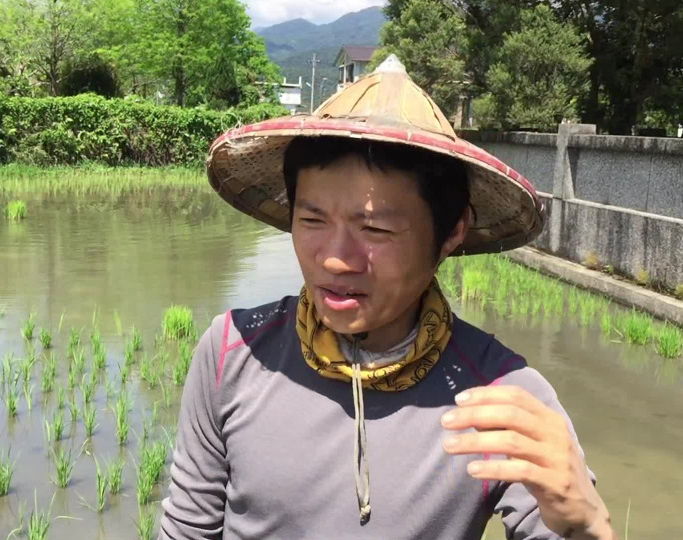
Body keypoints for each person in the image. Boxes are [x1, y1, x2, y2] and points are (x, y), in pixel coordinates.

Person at [158, 55, 616, 540]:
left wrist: (589, 523)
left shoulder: (503, 398)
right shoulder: (233, 352)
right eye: (312, 220)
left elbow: (565, 525)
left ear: (451, 231)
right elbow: (186, 529)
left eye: (374, 229)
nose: (336, 260)